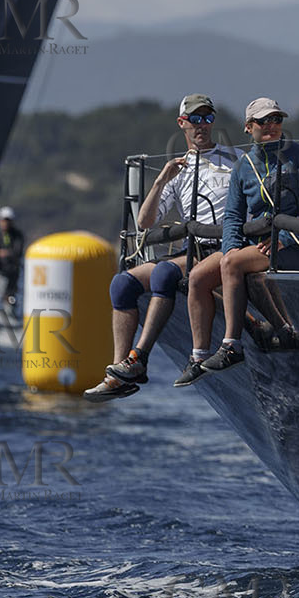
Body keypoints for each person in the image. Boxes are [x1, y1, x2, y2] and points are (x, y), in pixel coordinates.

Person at [86, 94, 242, 401]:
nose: (202, 126)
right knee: (122, 283)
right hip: (192, 247)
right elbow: (145, 222)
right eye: (195, 119)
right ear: (182, 124)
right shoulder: (179, 169)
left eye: (208, 119)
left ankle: (138, 358)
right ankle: (119, 371)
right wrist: (161, 180)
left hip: (221, 245)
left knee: (165, 275)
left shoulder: (235, 158)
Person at [178, 98, 299, 384]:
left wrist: (283, 238)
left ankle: (231, 345)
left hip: (297, 247)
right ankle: (198, 355)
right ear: (248, 128)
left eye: (276, 120)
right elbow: (233, 217)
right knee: (198, 275)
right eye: (263, 121)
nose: (271, 126)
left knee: (233, 263)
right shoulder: (243, 165)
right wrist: (230, 249)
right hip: (256, 247)